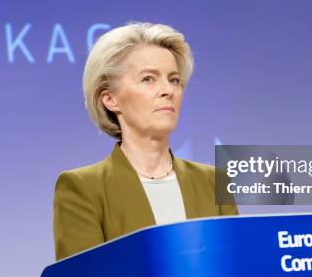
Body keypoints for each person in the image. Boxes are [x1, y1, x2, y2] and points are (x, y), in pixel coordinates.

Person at [53, 22, 238, 261]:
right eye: (148, 79)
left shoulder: (215, 182)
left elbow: (236, 274)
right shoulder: (83, 188)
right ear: (110, 99)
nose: (167, 90)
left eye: (174, 80)